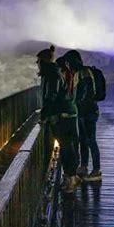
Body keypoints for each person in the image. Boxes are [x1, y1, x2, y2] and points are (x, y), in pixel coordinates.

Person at [37, 46, 81, 193]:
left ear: (43, 61)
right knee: (68, 146)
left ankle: (72, 179)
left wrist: (43, 116)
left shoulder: (52, 74)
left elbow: (51, 96)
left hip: (63, 115)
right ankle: (70, 177)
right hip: (65, 113)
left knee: (67, 147)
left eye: (38, 60)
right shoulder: (53, 72)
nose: (37, 63)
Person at [63, 50, 102, 181]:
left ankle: (97, 171)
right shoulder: (77, 73)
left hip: (88, 112)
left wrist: (79, 103)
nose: (67, 65)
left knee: (91, 141)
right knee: (83, 140)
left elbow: (88, 91)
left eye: (68, 62)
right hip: (82, 112)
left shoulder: (83, 72)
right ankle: (84, 167)